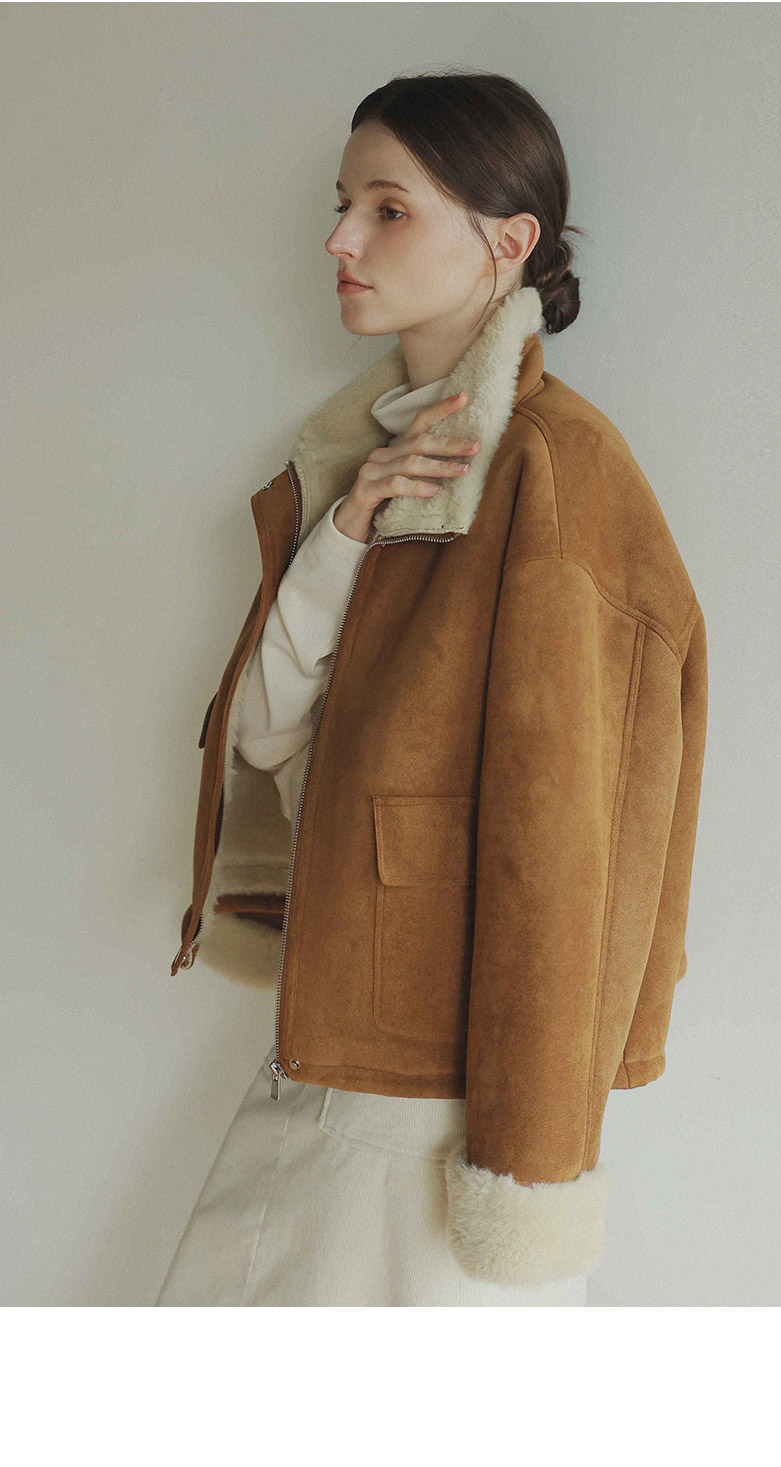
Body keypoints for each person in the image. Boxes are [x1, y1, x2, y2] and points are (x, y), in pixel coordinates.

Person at [158, 72, 707, 1306]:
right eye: (343, 204)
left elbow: (572, 857)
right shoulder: (365, 461)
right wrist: (346, 526)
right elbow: (265, 737)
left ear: (508, 242)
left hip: (435, 1102)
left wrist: (528, 1164)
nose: (339, 239)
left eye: (388, 208)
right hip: (337, 1044)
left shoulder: (555, 473)